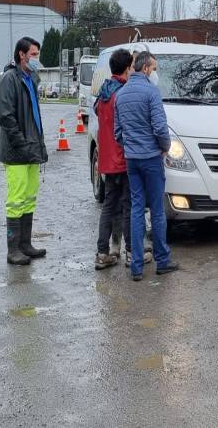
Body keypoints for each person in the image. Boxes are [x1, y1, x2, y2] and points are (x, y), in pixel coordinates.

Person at [114, 50, 179, 281]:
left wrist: (131, 146)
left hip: (132, 160)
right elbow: (160, 128)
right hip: (152, 158)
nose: (155, 73)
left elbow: (118, 133)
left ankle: (137, 266)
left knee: (136, 209)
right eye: (155, 68)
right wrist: (164, 147)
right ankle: (162, 260)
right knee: (157, 211)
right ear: (145, 68)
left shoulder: (121, 95)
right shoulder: (152, 92)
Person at [0, 37, 49, 266]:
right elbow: (5, 116)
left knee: (29, 199)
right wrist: (20, 143)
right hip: (17, 152)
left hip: (31, 151)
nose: (37, 58)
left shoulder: (30, 79)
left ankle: (25, 244)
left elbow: (33, 118)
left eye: (37, 54)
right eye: (34, 54)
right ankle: (13, 249)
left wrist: (36, 146)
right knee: (16, 200)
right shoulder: (10, 79)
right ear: (22, 55)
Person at [93, 49, 134, 270]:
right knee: (128, 205)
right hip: (124, 159)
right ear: (127, 69)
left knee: (109, 206)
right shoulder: (123, 94)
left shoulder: (104, 93)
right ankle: (130, 252)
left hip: (107, 160)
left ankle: (102, 252)